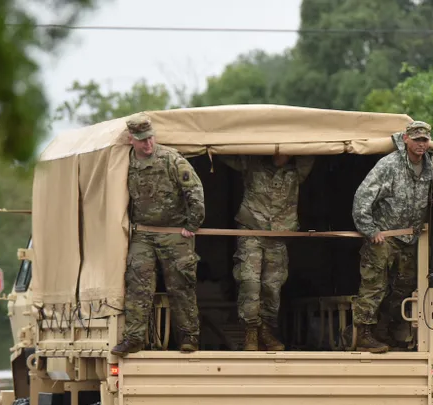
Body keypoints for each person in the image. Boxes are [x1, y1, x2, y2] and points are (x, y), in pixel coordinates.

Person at [112, 113, 206, 356]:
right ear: (132, 139)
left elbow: (195, 191)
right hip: (143, 233)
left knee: (181, 285)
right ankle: (134, 338)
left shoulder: (171, 159)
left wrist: (192, 225)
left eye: (151, 138)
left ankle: (188, 337)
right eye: (143, 140)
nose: (148, 144)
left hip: (174, 233)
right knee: (138, 284)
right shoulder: (125, 162)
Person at [351, 120, 433, 353]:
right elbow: (362, 199)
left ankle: (383, 329)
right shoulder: (389, 165)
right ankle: (364, 334)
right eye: (416, 139)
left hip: (410, 238)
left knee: (404, 286)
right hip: (385, 236)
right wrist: (370, 230)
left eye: (425, 140)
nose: (421, 144)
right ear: (406, 139)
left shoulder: (430, 168)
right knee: (374, 283)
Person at [222, 153, 315, 351]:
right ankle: (251, 331)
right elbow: (225, 152)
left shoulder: (296, 169)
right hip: (251, 230)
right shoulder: (251, 162)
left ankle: (266, 329)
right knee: (250, 282)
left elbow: (313, 144)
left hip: (279, 235)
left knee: (272, 286)